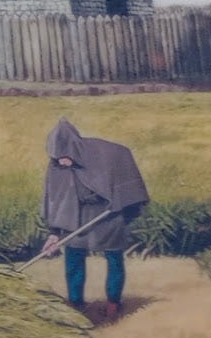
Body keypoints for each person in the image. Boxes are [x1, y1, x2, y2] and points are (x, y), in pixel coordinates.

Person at [39, 118, 149, 319]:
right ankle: (76, 301)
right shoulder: (57, 166)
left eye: (64, 156)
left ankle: (114, 302)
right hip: (76, 216)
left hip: (108, 213)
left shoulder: (105, 153)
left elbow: (124, 163)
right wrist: (54, 233)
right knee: (73, 257)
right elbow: (55, 199)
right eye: (57, 157)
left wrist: (121, 200)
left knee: (114, 257)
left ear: (74, 149)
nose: (61, 161)